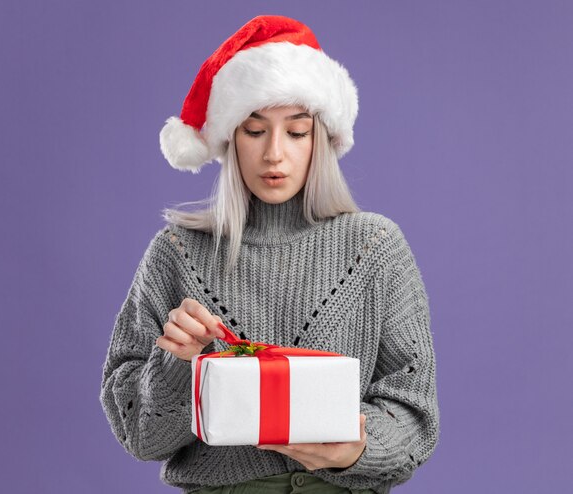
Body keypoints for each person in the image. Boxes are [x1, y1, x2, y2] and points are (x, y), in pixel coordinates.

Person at [99, 15, 440, 494]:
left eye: (296, 132)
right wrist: (177, 362)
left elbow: (415, 414)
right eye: (254, 131)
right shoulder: (177, 254)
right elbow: (141, 435)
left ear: (320, 140)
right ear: (229, 139)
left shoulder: (375, 248)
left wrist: (356, 446)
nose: (274, 154)